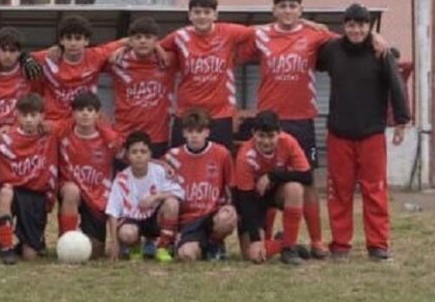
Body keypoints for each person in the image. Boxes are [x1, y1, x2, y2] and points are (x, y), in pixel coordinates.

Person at [240, 0, 336, 258]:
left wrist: (374, 37)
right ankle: (267, 239)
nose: (288, 10)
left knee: (307, 183)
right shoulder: (260, 35)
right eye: (282, 6)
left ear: (300, 10)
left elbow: (348, 42)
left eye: (293, 6)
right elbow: (232, 45)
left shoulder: (314, 34)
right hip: (270, 121)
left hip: (302, 119)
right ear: (274, 10)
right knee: (266, 182)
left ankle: (317, 241)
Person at [317, 4, 410, 260]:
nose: (356, 30)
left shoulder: (381, 52)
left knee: (375, 191)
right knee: (339, 193)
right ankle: (340, 246)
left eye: (361, 25)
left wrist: (401, 122)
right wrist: (314, 27)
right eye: (351, 25)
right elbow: (311, 40)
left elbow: (396, 86)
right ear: (344, 27)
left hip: (371, 134)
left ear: (369, 27)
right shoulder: (331, 50)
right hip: (338, 133)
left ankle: (378, 245)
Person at [159, 0, 256, 150]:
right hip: (186, 114)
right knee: (180, 165)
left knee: (219, 166)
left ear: (215, 15)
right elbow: (152, 47)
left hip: (220, 115)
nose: (202, 16)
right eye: (197, 12)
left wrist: (239, 56)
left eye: (207, 12)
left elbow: (258, 32)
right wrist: (124, 44)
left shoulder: (229, 32)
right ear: (190, 15)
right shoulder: (179, 36)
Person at [235, 110, 313, 266]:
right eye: (261, 136)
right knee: (252, 255)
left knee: (295, 188)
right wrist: (256, 240)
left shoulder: (289, 142)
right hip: (254, 200)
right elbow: (245, 201)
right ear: (253, 133)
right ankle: (284, 242)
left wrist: (272, 176)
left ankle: (289, 249)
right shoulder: (245, 155)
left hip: (276, 193)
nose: (266, 141)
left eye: (271, 136)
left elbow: (307, 176)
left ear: (279, 133)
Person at [163, 108, 237, 262]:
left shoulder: (222, 154)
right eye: (190, 131)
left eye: (199, 130)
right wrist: (161, 165)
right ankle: (192, 244)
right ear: (184, 133)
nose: (194, 135)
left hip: (211, 215)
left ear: (207, 132)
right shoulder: (172, 156)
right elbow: (150, 167)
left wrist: (231, 207)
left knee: (227, 217)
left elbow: (231, 186)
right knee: (186, 255)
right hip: (187, 220)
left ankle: (215, 243)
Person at [57, 91, 121, 259]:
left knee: (94, 252)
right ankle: (67, 240)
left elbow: (131, 157)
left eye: (90, 109)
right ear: (73, 114)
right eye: (80, 110)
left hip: (98, 197)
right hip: (73, 192)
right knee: (71, 191)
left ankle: (84, 239)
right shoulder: (63, 135)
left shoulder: (109, 140)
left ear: (98, 114)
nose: (85, 113)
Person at [0, 93, 58, 264]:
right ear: (17, 115)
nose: (29, 120)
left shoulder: (50, 134)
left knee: (30, 256)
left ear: (42, 116)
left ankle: (27, 241)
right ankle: (6, 246)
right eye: (24, 115)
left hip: (37, 194)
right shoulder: (6, 138)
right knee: (6, 191)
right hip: (15, 190)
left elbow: (76, 123)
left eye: (33, 115)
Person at [107, 16, 176, 167]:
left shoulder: (168, 61)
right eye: (138, 37)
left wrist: (159, 48)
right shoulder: (116, 61)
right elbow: (90, 55)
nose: (143, 41)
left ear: (156, 40)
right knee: (125, 186)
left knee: (155, 187)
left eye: (148, 37)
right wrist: (121, 47)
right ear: (130, 41)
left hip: (157, 138)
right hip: (125, 137)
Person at [105, 131, 183, 263]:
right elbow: (112, 212)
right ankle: (135, 247)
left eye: (143, 151)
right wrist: (114, 244)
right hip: (133, 220)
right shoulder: (122, 179)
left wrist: (155, 197)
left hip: (154, 218)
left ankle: (162, 247)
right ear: (128, 155)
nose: (139, 156)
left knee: (172, 203)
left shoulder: (159, 171)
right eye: (134, 152)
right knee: (127, 233)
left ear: (150, 154)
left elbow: (179, 192)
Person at [35, 15, 125, 123]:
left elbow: (130, 40)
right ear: (61, 41)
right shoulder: (48, 57)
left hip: (86, 120)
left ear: (86, 41)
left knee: (106, 126)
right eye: (68, 38)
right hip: (55, 122)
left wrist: (124, 48)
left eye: (78, 38)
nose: (73, 43)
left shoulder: (96, 55)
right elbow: (20, 58)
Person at [0, 27, 41, 146]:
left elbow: (53, 54)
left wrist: (29, 57)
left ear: (20, 52)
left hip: (13, 138)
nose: (7, 55)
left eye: (12, 50)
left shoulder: (28, 72)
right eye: (3, 50)